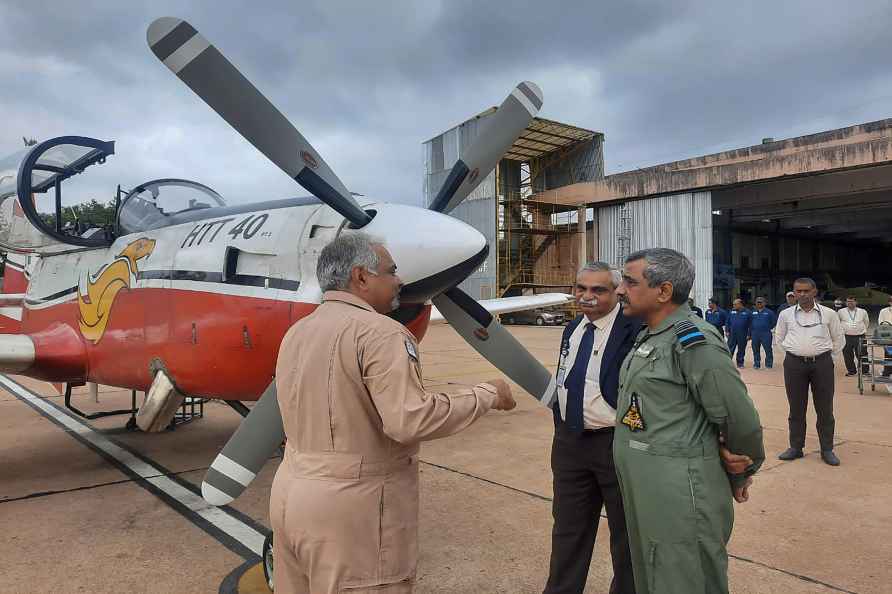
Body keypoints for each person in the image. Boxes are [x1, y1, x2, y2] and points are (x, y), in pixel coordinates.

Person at [270, 232, 516, 593]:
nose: (400, 280)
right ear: (361, 277)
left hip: (290, 496)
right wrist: (486, 395)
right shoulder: (382, 333)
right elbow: (409, 420)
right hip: (353, 512)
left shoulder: (297, 332)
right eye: (391, 271)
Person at [613, 248, 764, 594]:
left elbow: (736, 415)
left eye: (629, 281)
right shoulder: (650, 335)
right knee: (653, 572)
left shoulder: (693, 341)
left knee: (684, 577)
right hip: (649, 486)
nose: (620, 289)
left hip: (681, 491)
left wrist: (741, 468)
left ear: (663, 291)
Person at [544, 262, 640, 594]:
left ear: (617, 291)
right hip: (571, 444)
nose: (586, 296)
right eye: (580, 288)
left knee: (626, 534)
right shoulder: (573, 329)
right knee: (568, 530)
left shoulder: (636, 328)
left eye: (597, 290)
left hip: (615, 443)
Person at [775, 278, 844, 466]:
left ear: (814, 292)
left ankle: (827, 449)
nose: (802, 294)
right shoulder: (786, 315)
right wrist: (792, 355)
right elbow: (779, 337)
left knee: (825, 408)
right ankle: (796, 447)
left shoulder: (829, 314)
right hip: (794, 365)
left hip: (821, 364)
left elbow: (839, 339)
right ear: (794, 293)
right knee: (796, 407)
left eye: (806, 291)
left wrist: (829, 358)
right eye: (799, 291)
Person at [839, 296, 870, 377]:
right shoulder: (841, 311)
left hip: (860, 336)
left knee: (863, 353)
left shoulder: (862, 311)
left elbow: (866, 322)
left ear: (856, 302)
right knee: (847, 355)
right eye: (848, 301)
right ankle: (851, 371)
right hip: (846, 336)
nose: (850, 303)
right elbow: (837, 323)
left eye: (852, 301)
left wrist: (861, 330)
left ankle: (865, 371)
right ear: (846, 303)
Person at [750, 297, 777, 369]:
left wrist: (767, 327)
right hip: (755, 333)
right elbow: (750, 322)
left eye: (761, 302)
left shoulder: (769, 312)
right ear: (755, 303)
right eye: (758, 302)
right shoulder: (752, 312)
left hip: (766, 333)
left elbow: (774, 322)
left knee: (768, 349)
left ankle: (768, 364)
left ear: (764, 303)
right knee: (755, 349)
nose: (759, 304)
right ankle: (756, 364)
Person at [726, 298, 752, 368]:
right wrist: (727, 331)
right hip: (732, 334)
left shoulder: (748, 312)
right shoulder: (731, 312)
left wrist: (749, 334)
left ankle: (740, 363)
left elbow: (751, 325)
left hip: (743, 334)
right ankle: (728, 363)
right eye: (733, 304)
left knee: (741, 349)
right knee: (730, 348)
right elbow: (727, 322)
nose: (733, 306)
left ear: (740, 304)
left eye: (735, 304)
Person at [880, 297, 892, 377]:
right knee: (888, 354)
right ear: (889, 302)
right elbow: (880, 322)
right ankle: (887, 371)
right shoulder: (883, 311)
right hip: (887, 335)